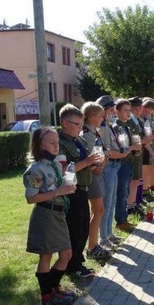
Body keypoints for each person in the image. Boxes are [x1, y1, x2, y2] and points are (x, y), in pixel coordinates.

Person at [23, 127, 76, 305]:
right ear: (40, 145)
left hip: (58, 213)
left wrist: (68, 186)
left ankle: (54, 287)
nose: (56, 146)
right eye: (51, 143)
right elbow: (31, 197)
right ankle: (47, 296)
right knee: (46, 256)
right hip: (45, 214)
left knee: (66, 254)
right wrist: (59, 191)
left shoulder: (54, 164)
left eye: (57, 143)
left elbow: (57, 187)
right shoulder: (36, 170)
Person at [58, 104, 101, 279]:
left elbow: (85, 163)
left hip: (83, 189)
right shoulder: (60, 143)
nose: (80, 128)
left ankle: (78, 261)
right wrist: (87, 162)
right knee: (75, 229)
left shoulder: (79, 141)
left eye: (81, 124)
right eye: (77, 124)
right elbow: (64, 169)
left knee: (83, 227)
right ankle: (72, 265)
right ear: (65, 123)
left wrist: (95, 162)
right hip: (71, 192)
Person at [96, 96, 136, 248]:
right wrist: (123, 154)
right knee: (106, 203)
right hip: (109, 166)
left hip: (114, 166)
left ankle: (108, 233)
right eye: (111, 109)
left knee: (111, 202)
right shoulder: (104, 128)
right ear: (104, 110)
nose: (114, 112)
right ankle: (103, 237)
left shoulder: (109, 125)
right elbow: (107, 151)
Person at [79, 102, 111, 260]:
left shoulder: (94, 132)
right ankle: (92, 247)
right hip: (92, 177)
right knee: (97, 210)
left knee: (99, 210)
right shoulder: (86, 134)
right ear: (91, 117)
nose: (103, 118)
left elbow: (101, 153)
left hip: (97, 174)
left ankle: (93, 244)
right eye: (100, 115)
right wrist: (96, 164)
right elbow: (87, 157)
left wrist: (103, 161)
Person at [114, 99, 141, 231]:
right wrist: (132, 147)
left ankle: (123, 217)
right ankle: (120, 220)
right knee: (121, 191)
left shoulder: (127, 125)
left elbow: (129, 144)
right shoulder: (116, 127)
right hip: (121, 163)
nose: (128, 113)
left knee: (126, 191)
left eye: (129, 110)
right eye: (125, 110)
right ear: (117, 111)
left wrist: (136, 150)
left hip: (129, 161)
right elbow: (118, 148)